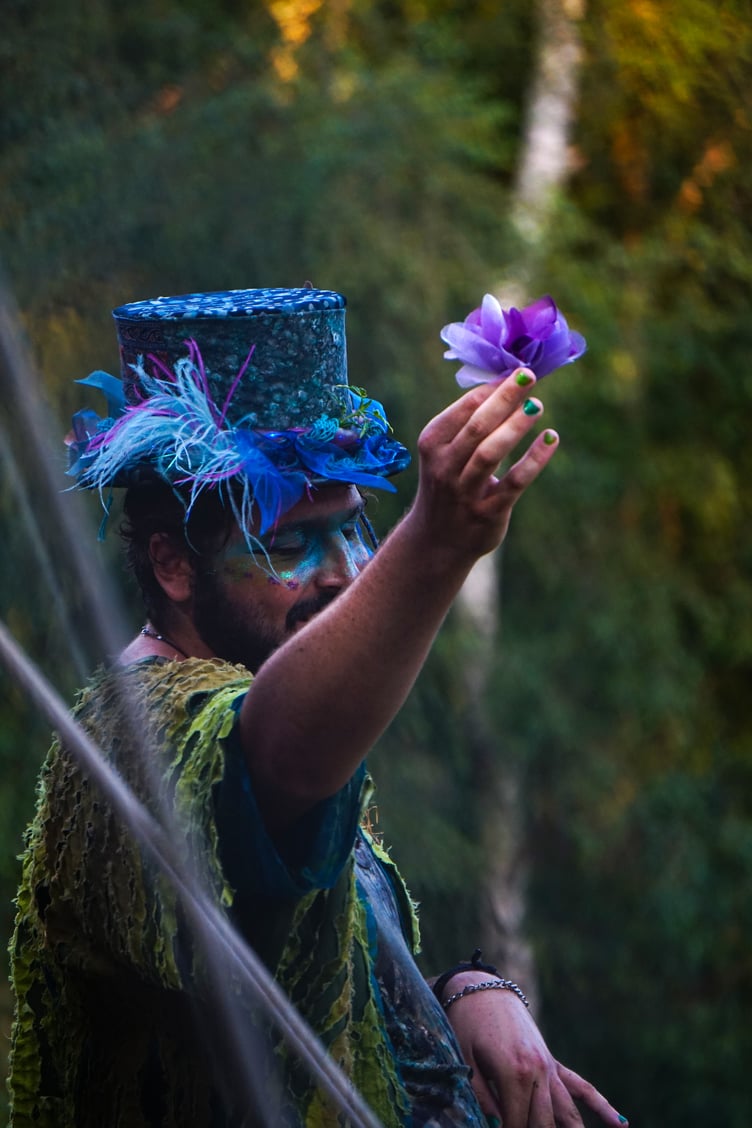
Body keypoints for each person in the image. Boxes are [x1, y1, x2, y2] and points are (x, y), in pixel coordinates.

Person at [8, 288, 627, 1128]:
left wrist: (463, 991)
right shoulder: (134, 740)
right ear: (173, 565)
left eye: (355, 530)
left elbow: (308, 992)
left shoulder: (262, 683)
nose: (344, 574)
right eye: (290, 542)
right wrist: (435, 545)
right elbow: (272, 758)